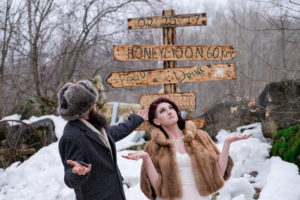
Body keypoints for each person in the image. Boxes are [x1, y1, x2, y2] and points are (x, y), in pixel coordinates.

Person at [123, 98, 252, 200]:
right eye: (162, 111)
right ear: (157, 121)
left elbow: (218, 174)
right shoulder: (153, 146)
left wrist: (227, 143)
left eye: (171, 108)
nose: (169, 111)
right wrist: (146, 158)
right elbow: (157, 186)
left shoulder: (200, 136)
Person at [57, 80, 148, 200]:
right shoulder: (71, 136)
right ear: (86, 108)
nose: (96, 106)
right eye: (94, 103)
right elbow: (69, 178)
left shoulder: (93, 124)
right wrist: (77, 172)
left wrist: (134, 120)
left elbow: (113, 133)